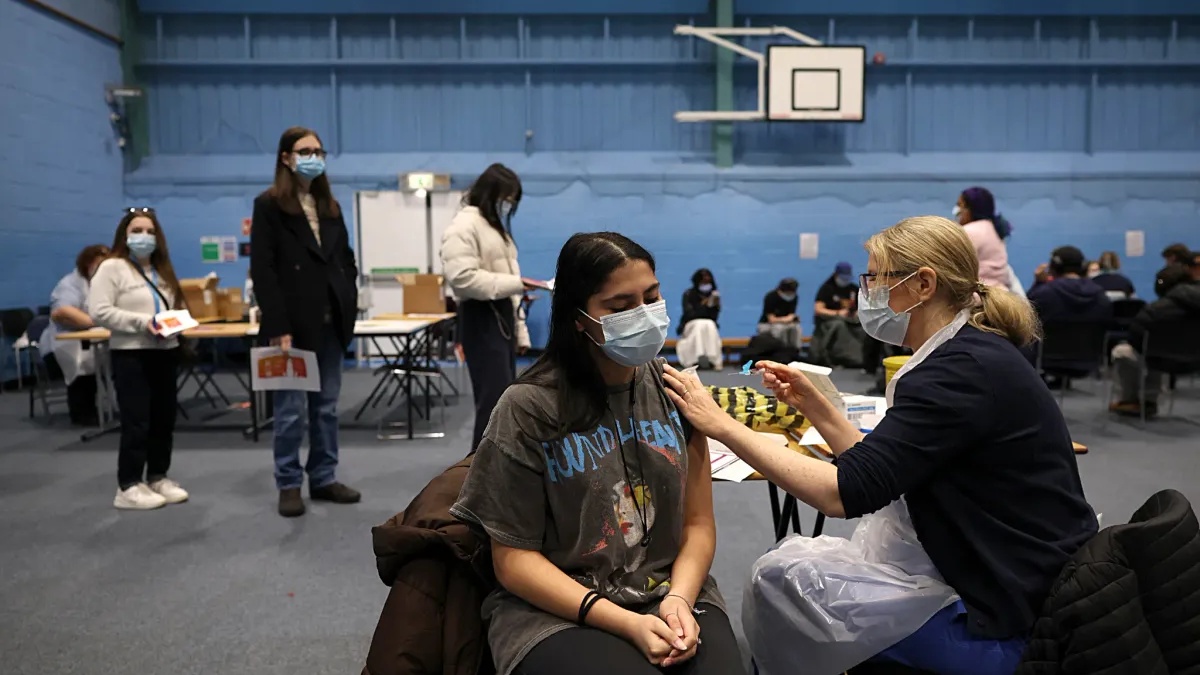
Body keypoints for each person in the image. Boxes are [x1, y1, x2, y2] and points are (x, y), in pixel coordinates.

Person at [664, 215, 1096, 675]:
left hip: (1006, 606)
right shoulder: (969, 353)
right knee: (793, 573)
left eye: (874, 278)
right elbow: (879, 473)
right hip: (1017, 571)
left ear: (923, 284)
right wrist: (819, 407)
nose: (866, 292)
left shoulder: (957, 372)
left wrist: (720, 425)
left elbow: (841, 493)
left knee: (781, 581)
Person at [449, 232, 745, 675]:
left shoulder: (676, 391)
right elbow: (513, 561)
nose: (643, 315)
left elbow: (698, 524)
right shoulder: (527, 408)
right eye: (621, 306)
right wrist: (625, 623)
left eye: (651, 297)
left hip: (672, 592)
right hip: (556, 608)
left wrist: (680, 599)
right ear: (580, 319)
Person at [251, 126, 361, 518]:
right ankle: (288, 482)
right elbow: (263, 270)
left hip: (331, 322)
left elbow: (345, 258)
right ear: (286, 157)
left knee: (326, 408)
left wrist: (349, 291)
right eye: (304, 150)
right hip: (290, 327)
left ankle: (324, 477)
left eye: (318, 150)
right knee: (290, 411)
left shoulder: (330, 206)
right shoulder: (268, 206)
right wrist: (278, 325)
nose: (314, 156)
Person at [88, 209, 190, 510]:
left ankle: (158, 475)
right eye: (137, 230)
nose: (144, 237)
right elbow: (99, 311)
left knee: (163, 418)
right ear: (125, 234)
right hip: (131, 352)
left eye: (149, 231)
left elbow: (168, 306)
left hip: (165, 351)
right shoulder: (112, 268)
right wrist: (142, 322)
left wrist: (177, 322)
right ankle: (129, 484)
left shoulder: (162, 270)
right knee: (137, 420)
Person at [441, 163, 541, 452]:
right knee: (491, 403)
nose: (508, 204)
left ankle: (496, 466)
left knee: (503, 400)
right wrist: (517, 283)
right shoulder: (463, 225)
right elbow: (462, 279)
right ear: (490, 192)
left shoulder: (495, 228)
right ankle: (475, 473)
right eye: (506, 196)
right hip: (481, 319)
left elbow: (510, 284)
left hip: (502, 319)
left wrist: (520, 332)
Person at [1109, 263, 1200, 418]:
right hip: (1195, 361)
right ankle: (1149, 400)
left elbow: (1136, 335)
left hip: (1160, 359)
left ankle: (1131, 400)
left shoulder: (1156, 309)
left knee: (1124, 352)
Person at [40, 244, 110, 426]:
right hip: (61, 348)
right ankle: (82, 415)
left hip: (93, 343)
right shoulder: (70, 284)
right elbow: (61, 312)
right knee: (83, 365)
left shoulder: (104, 285)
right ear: (87, 264)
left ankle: (103, 411)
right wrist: (98, 321)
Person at [1027, 245, 1113, 376]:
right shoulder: (1100, 295)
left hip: (1047, 361)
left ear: (1053, 267)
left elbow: (1025, 315)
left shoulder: (1044, 293)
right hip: (1090, 361)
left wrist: (1037, 283)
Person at [954, 187, 1014, 289]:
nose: (957, 211)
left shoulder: (969, 231)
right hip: (999, 294)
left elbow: (954, 268)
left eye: (960, 205)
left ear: (969, 208)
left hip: (979, 296)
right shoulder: (994, 228)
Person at [810, 262, 864, 367]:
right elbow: (818, 310)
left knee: (862, 327)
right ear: (836, 275)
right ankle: (840, 356)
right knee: (839, 325)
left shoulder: (853, 289)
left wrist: (857, 313)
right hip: (830, 320)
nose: (845, 280)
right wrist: (838, 313)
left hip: (850, 319)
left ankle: (861, 357)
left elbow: (860, 306)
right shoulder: (826, 288)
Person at [676, 268, 722, 370]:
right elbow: (689, 314)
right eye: (703, 280)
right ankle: (693, 359)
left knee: (709, 324)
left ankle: (713, 359)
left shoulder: (714, 296)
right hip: (691, 324)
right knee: (700, 324)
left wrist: (715, 306)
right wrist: (704, 305)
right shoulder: (688, 294)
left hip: (708, 324)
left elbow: (713, 317)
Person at [757, 277, 802, 349]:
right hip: (767, 325)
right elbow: (771, 319)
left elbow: (791, 314)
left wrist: (793, 319)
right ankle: (780, 351)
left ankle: (796, 350)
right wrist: (785, 320)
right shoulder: (771, 297)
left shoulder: (794, 297)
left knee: (796, 328)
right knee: (779, 329)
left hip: (787, 323)